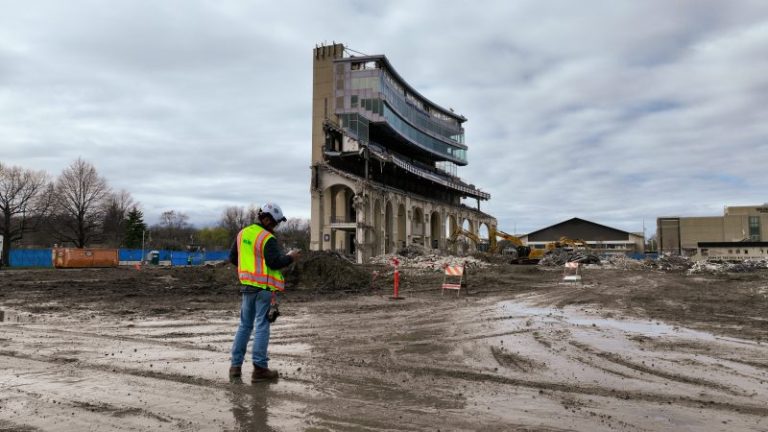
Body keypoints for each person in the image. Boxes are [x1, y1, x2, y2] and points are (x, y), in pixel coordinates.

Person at [228, 202, 300, 383]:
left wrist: (248, 271)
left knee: (244, 326)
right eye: (275, 222)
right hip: (263, 288)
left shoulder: (242, 233)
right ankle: (259, 369)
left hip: (246, 286)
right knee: (262, 325)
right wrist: (291, 257)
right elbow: (275, 262)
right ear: (266, 219)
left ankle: (235, 367)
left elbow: (233, 258)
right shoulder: (267, 238)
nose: (275, 226)